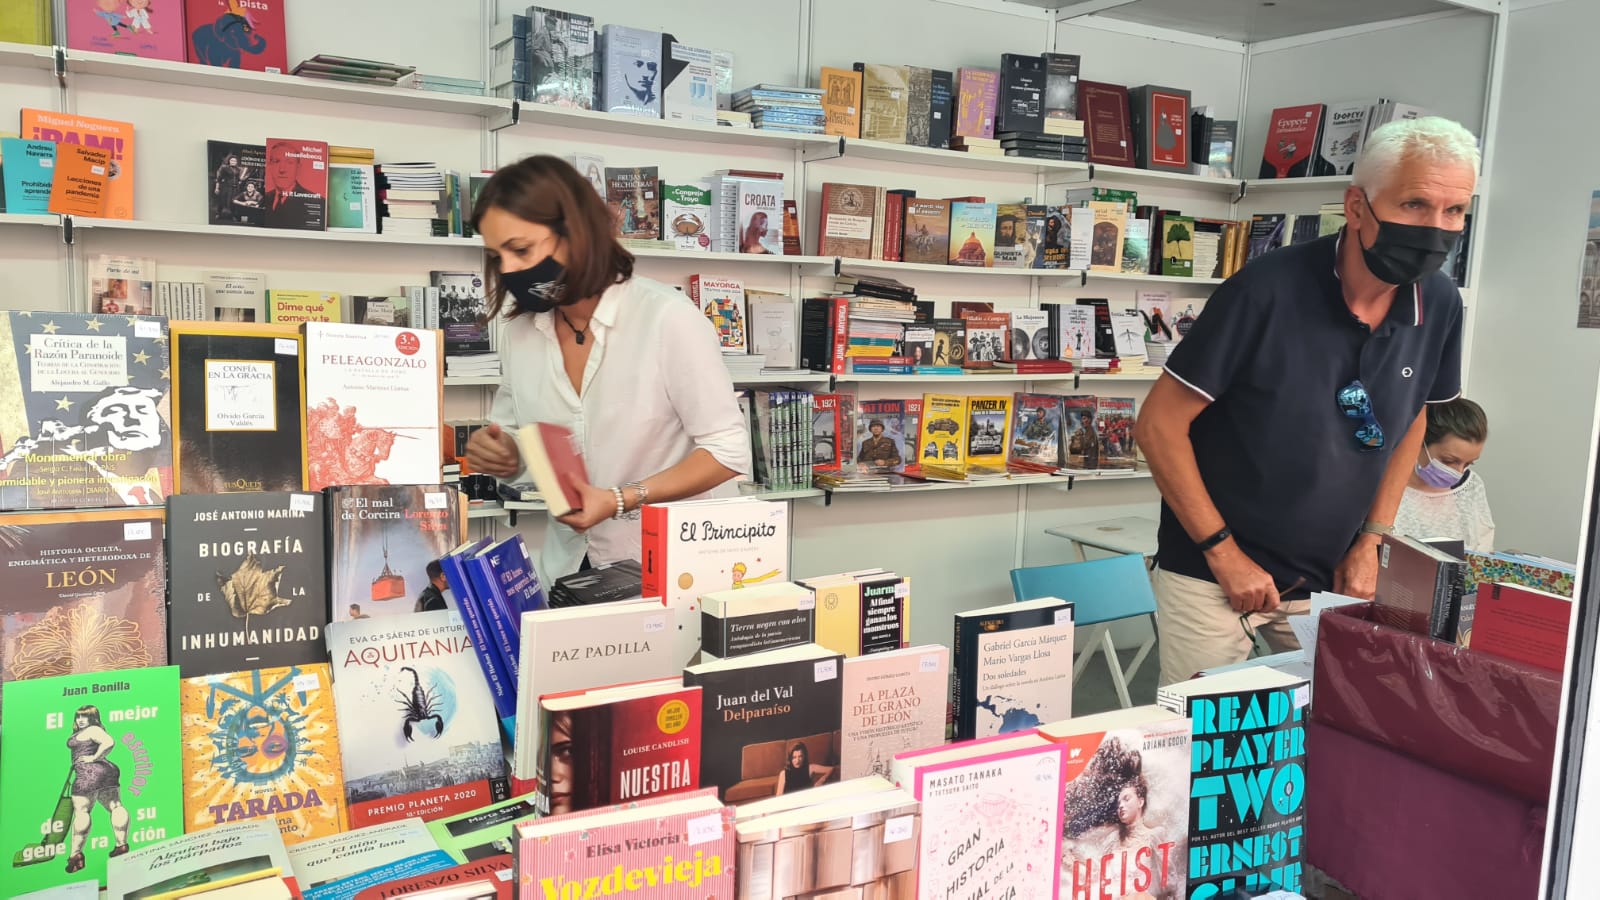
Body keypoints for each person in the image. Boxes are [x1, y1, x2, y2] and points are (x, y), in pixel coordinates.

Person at [1134, 117, 1477, 685]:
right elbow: (1158, 426)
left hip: (1334, 574)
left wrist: (1373, 539)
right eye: (1415, 204)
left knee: (1328, 733)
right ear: (1357, 206)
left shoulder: (1438, 301)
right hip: (1213, 574)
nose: (1435, 228)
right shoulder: (1263, 291)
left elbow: (1413, 415)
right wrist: (1223, 552)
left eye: (1455, 211)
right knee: (1204, 749)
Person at [463, 156, 749, 578]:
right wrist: (506, 454)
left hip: (672, 568)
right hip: (569, 569)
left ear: (576, 232)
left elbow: (727, 452)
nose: (507, 269)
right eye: (496, 255)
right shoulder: (522, 332)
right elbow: (530, 443)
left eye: (520, 249)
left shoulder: (667, 319)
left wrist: (620, 498)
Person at [1395, 397, 1494, 552]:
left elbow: (1483, 550)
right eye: (1448, 461)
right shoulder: (1386, 487)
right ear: (1419, 442)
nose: (1458, 473)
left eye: (1468, 463)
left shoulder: (1471, 486)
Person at [65, 705, 129, 873]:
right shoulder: (90, 730)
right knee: (116, 806)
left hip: (88, 773)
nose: (80, 720)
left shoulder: (92, 729)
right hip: (107, 770)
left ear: (92, 718)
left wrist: (93, 757)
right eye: (78, 716)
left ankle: (75, 855)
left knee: (82, 812)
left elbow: (109, 742)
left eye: (84, 716)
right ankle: (121, 845)